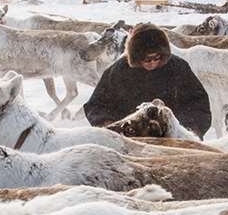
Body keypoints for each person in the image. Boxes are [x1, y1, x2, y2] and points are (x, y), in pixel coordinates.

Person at [83, 23, 212, 138]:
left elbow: (197, 103)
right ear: (136, 56)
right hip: (131, 139)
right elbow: (97, 105)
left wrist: (186, 129)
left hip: (172, 138)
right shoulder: (119, 70)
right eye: (146, 59)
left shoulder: (178, 67)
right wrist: (110, 126)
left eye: (156, 58)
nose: (152, 63)